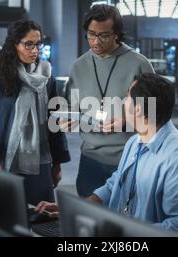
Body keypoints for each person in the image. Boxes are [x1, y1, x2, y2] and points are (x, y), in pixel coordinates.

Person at [38, 73, 178, 236]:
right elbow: (115, 185)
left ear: (138, 108)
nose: (123, 102)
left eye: (127, 98)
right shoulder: (135, 142)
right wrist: (73, 209)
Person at [0, 20, 70, 205]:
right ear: (14, 44)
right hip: (1, 163)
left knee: (40, 221)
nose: (35, 50)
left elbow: (54, 123)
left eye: (38, 44)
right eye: (28, 44)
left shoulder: (47, 77)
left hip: (39, 164)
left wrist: (57, 163)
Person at [64, 4, 155, 197]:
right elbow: (71, 109)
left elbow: (155, 116)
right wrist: (69, 119)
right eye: (91, 34)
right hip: (90, 160)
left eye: (103, 35)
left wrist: (127, 123)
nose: (96, 41)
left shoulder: (139, 64)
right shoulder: (78, 66)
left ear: (117, 34)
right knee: (88, 221)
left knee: (127, 223)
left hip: (129, 159)